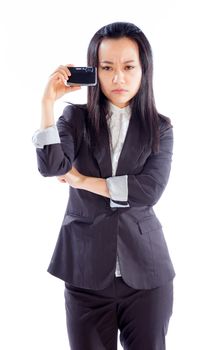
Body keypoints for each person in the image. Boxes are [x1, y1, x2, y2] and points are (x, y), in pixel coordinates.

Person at [32, 21, 175, 350]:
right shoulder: (75, 120)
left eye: (128, 67)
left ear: (144, 70)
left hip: (147, 276)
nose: (118, 78)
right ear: (94, 71)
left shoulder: (160, 128)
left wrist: (83, 181)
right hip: (85, 272)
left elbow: (149, 191)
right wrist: (47, 105)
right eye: (107, 67)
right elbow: (51, 166)